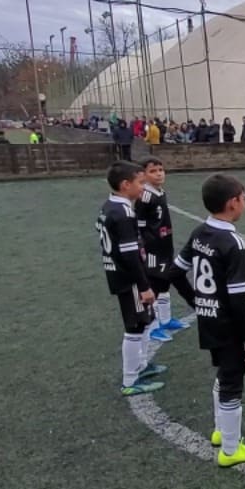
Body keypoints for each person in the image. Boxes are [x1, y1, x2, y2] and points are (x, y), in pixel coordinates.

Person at [167, 174, 245, 467]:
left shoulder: (200, 232)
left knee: (223, 374)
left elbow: (175, 273)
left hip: (208, 319)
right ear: (233, 203)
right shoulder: (233, 243)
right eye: (242, 198)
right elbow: (238, 300)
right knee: (232, 382)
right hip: (228, 325)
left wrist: (197, 302)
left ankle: (221, 431)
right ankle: (231, 450)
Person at [95, 161, 164, 396]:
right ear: (126, 185)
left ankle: (141, 365)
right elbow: (129, 254)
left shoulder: (109, 206)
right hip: (129, 278)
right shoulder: (123, 212)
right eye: (140, 182)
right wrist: (144, 286)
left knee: (145, 320)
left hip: (121, 274)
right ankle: (130, 380)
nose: (143, 187)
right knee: (135, 326)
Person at [137, 157, 189, 342]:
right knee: (155, 286)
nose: (159, 174)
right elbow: (139, 225)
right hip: (153, 249)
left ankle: (165, 320)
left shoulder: (160, 192)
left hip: (165, 245)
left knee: (165, 282)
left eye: (161, 170)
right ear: (143, 175)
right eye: (153, 171)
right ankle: (152, 326)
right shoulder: (145, 196)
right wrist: (144, 247)